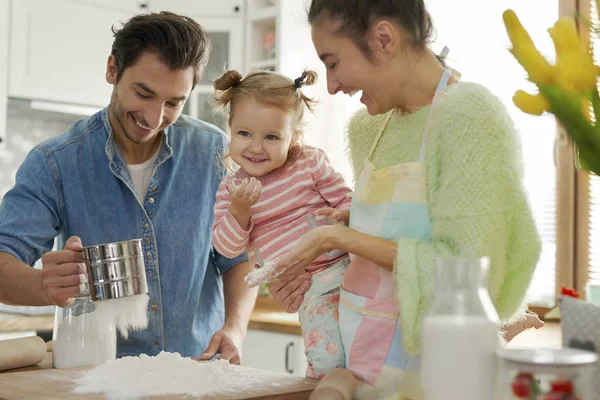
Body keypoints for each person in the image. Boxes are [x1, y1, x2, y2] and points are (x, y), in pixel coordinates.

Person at [263, 0, 544, 398]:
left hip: (439, 380)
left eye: (333, 62)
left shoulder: (469, 116)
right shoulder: (369, 128)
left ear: (383, 39)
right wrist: (307, 277)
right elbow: (380, 257)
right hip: (364, 377)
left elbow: (470, 275)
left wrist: (338, 239)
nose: (331, 85)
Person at [0, 12, 256, 363]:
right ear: (112, 70)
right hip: (99, 380)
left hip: (198, 374)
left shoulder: (213, 152)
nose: (153, 118)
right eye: (144, 93)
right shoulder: (55, 163)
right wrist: (43, 284)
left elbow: (238, 258)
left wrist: (235, 327)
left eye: (173, 103)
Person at [210, 69, 353, 379]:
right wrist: (239, 210)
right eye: (244, 134)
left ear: (294, 137)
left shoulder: (310, 163)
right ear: (230, 130)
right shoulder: (231, 190)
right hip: (310, 291)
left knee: (364, 355)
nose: (256, 147)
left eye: (271, 137)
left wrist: (343, 216)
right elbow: (227, 246)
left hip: (348, 271)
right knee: (327, 360)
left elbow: (348, 202)